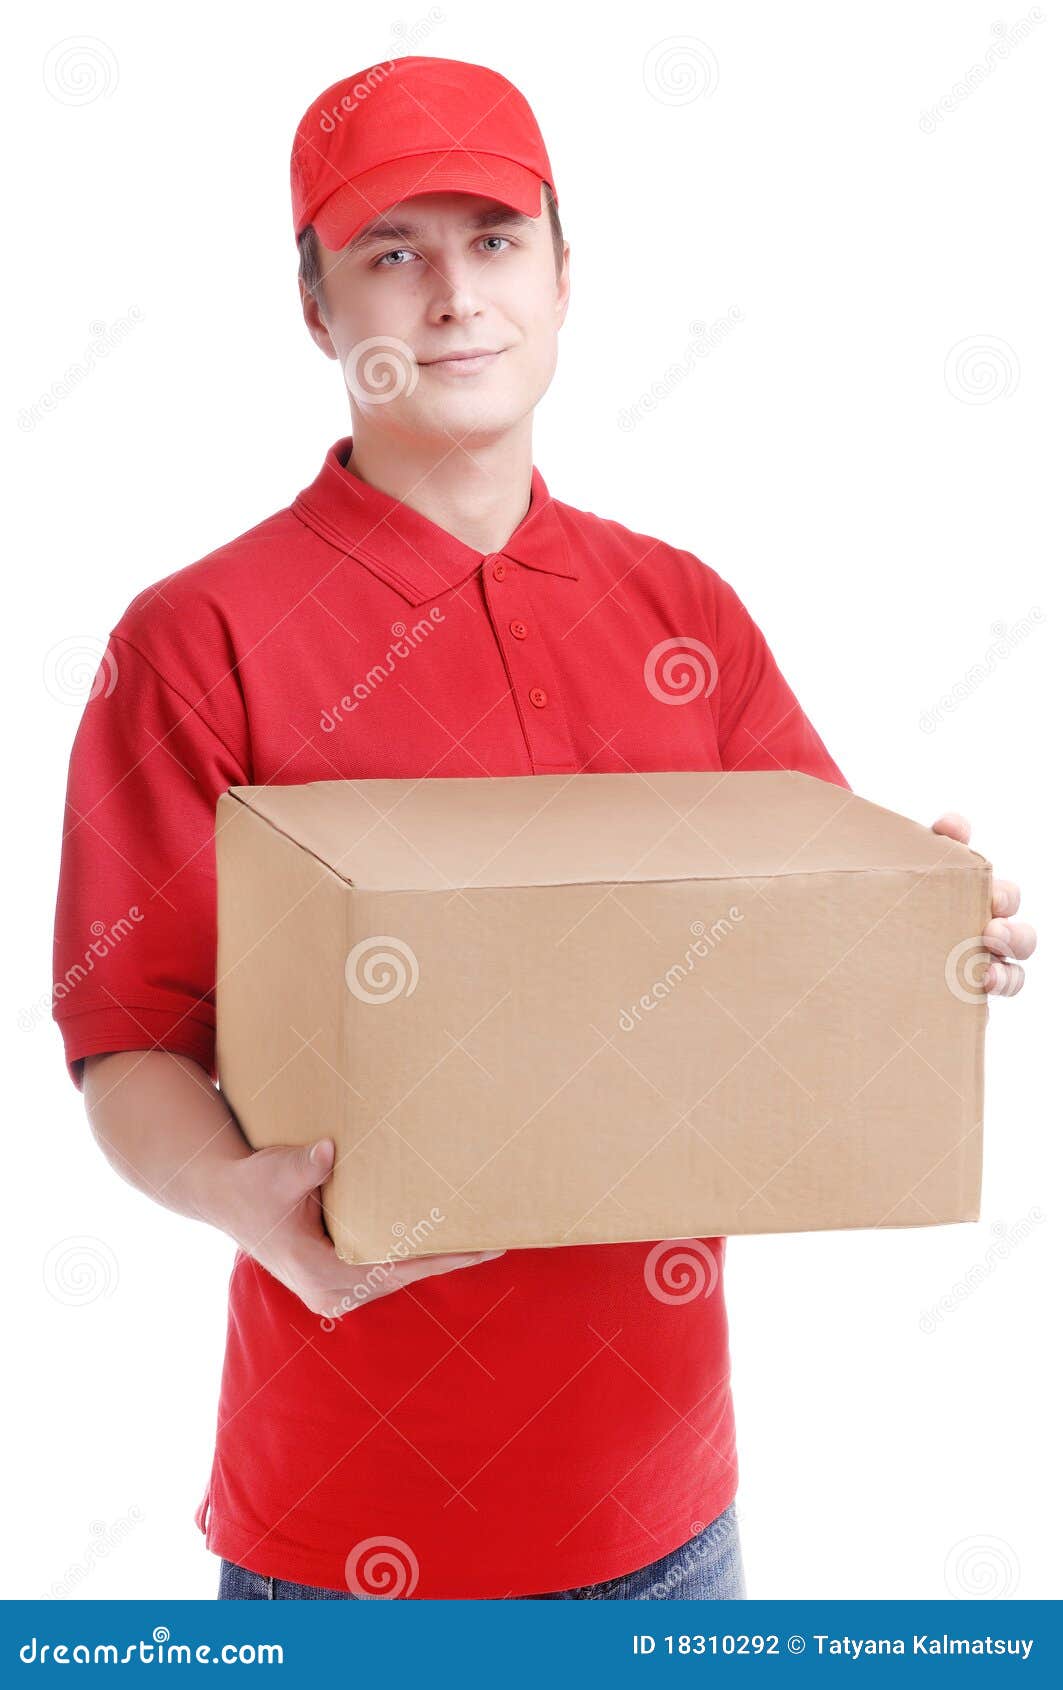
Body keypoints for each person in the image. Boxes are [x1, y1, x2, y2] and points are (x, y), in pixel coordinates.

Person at [50, 55, 1036, 1603]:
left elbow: (807, 936)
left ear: (567, 277)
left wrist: (941, 930)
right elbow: (129, 1039)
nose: (454, 297)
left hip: (672, 1520)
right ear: (318, 311)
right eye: (393, 255)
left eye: (496, 241)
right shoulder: (198, 638)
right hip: (343, 1535)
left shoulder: (679, 612)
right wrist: (243, 1201)